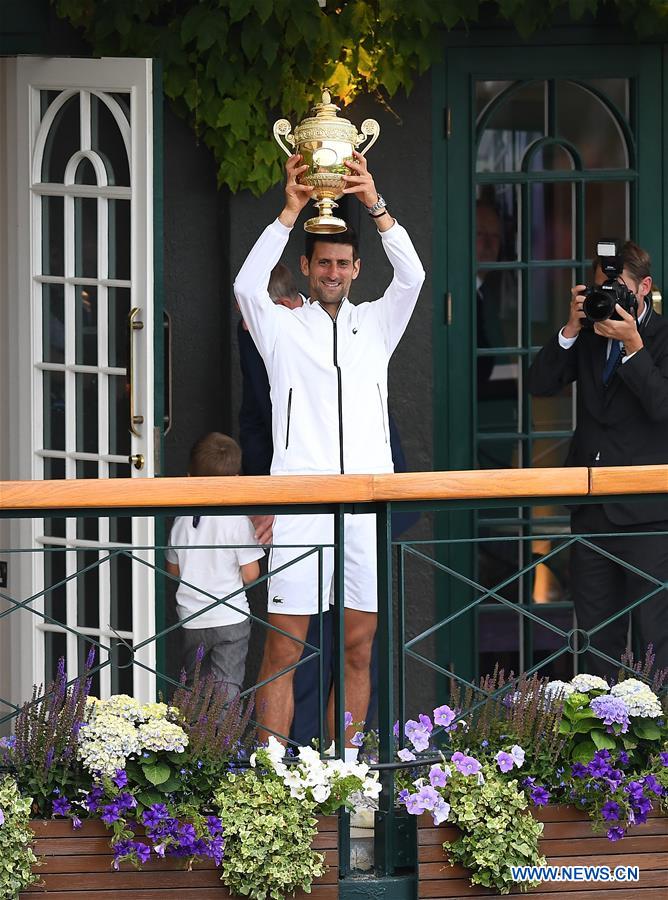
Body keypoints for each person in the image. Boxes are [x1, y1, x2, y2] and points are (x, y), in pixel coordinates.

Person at [234, 150, 425, 746]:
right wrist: (289, 211)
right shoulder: (282, 328)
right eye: (324, 263)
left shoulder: (377, 324)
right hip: (302, 505)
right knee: (283, 651)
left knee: (358, 650)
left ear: (357, 268)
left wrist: (375, 203)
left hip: (366, 506)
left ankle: (345, 777)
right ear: (308, 267)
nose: (334, 272)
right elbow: (245, 284)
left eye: (344, 262)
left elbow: (414, 276)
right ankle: (270, 782)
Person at [528, 241, 668, 678]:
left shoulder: (662, 338)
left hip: (648, 516)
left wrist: (633, 346)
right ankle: (599, 742)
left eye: (620, 288)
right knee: (595, 639)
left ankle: (657, 741)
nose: (610, 296)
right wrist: (571, 327)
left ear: (644, 287)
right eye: (602, 287)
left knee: (653, 638)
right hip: (591, 513)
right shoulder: (587, 332)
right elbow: (540, 382)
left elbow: (662, 407)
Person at [164, 432, 264, 696]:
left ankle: (197, 734)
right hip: (230, 616)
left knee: (195, 685)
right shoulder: (237, 521)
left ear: (189, 479)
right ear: (236, 481)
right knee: (227, 685)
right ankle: (223, 735)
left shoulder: (182, 521)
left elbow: (173, 569)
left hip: (192, 619)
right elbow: (252, 574)